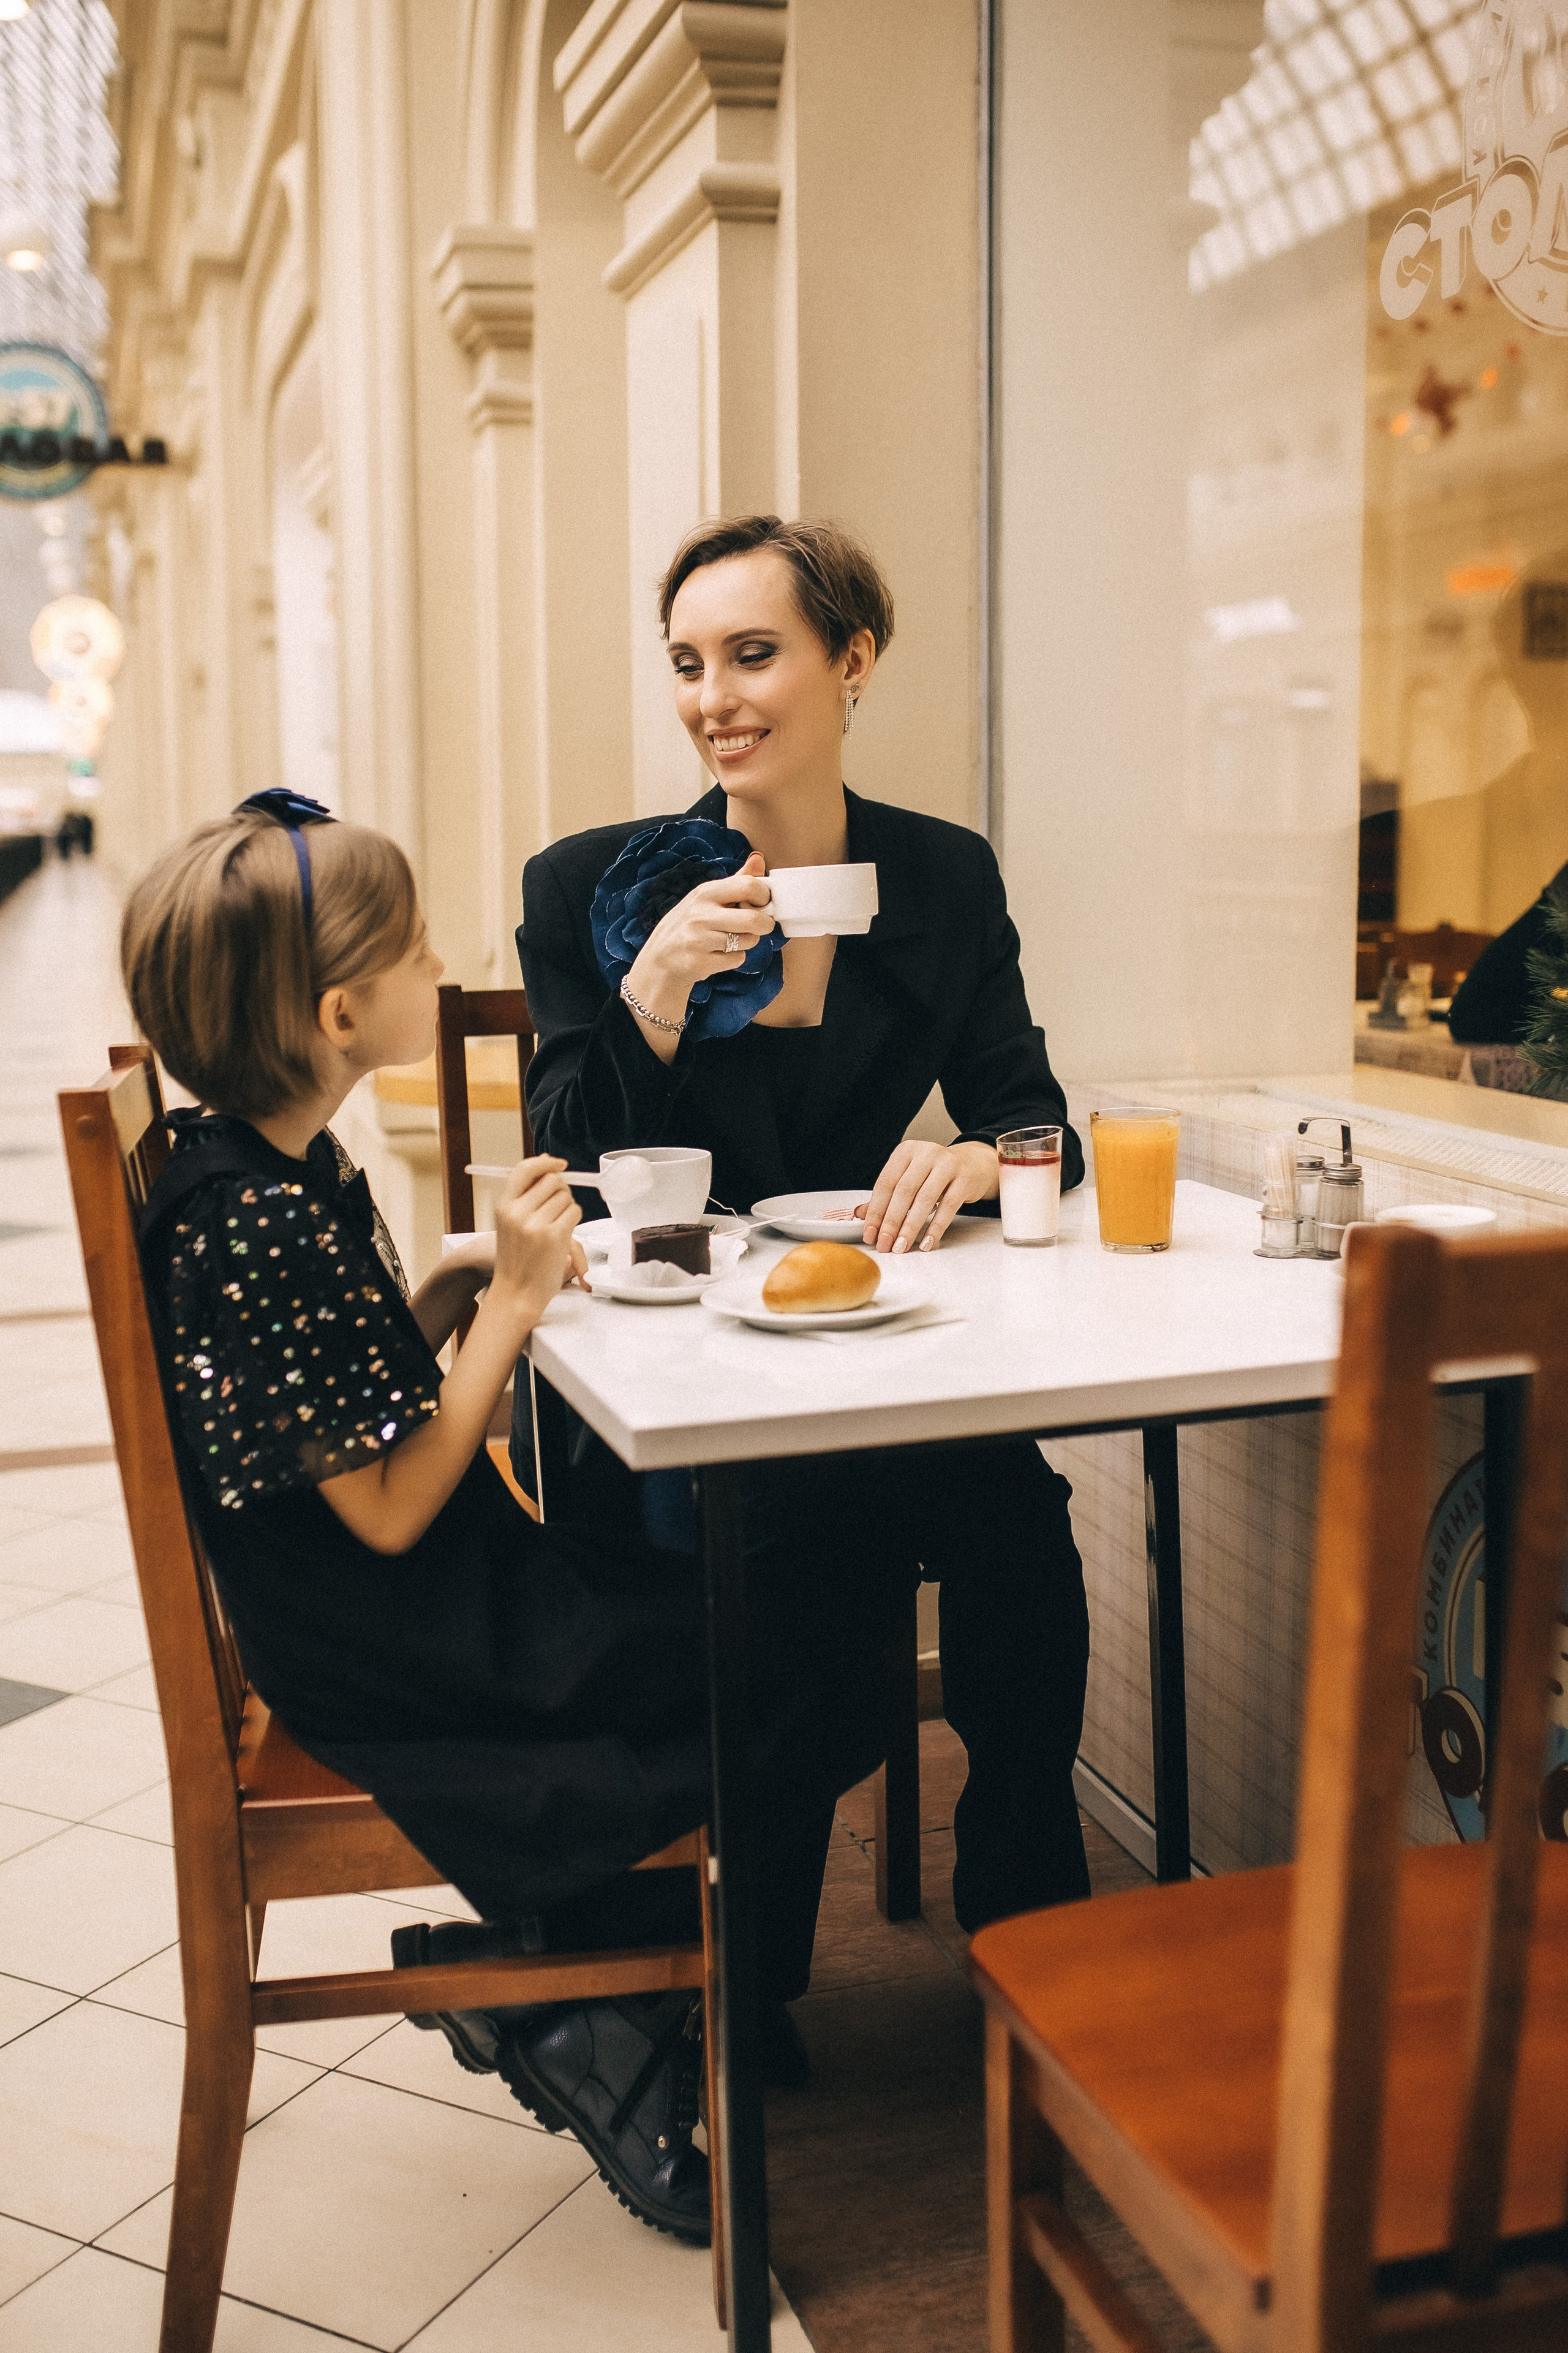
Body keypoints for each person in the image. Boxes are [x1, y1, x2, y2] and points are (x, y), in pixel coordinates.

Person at [122, 790, 892, 2244]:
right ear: (341, 1013)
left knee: (765, 1616)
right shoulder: (259, 1221)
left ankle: (591, 1975)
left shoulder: (263, 1171)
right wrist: (520, 1300)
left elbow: (343, 1403)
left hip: (398, 1601)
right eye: (414, 951)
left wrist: (460, 1281)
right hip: (396, 1636)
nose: (439, 964)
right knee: (811, 1652)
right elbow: (399, 1504)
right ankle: (589, 2012)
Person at [516, 516, 1093, 2077]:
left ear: (851, 662)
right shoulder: (592, 888)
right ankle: (744, 1977)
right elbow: (559, 1173)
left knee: (1020, 1539)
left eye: (753, 654)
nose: (715, 696)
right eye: (689, 663)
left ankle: (1031, 1925)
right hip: (691, 1386)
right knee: (794, 1585)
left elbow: (1041, 1124)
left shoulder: (939, 876)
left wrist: (975, 1165)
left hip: (880, 1346)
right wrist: (647, 995)